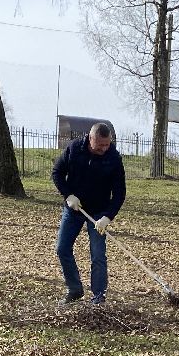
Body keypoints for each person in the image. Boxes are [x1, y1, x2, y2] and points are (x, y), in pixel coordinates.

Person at [51, 122, 126, 306]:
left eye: (107, 144)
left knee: (98, 256)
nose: (104, 148)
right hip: (75, 208)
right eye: (100, 145)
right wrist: (68, 195)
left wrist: (107, 216)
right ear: (91, 139)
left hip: (99, 212)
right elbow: (57, 173)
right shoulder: (75, 149)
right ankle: (74, 289)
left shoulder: (114, 158)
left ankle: (98, 297)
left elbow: (119, 193)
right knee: (62, 248)